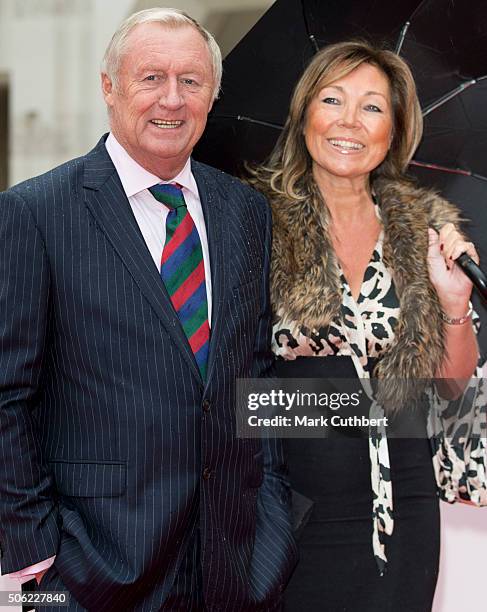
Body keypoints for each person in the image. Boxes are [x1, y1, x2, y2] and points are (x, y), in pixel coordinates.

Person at [0, 8, 297, 611]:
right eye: (150, 77)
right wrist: (28, 547)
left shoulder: (245, 212)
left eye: (190, 81)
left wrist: (272, 506)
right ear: (109, 87)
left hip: (231, 559)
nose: (172, 98)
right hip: (88, 567)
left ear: (212, 94)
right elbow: (8, 394)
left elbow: (254, 374)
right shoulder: (34, 213)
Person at [252, 41, 482, 611]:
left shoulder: (426, 229)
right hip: (295, 506)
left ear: (395, 129)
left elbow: (452, 385)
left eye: (373, 107)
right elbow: (236, 390)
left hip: (407, 500)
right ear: (305, 112)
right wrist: (355, 406)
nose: (350, 122)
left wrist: (453, 302)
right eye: (333, 99)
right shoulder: (251, 221)